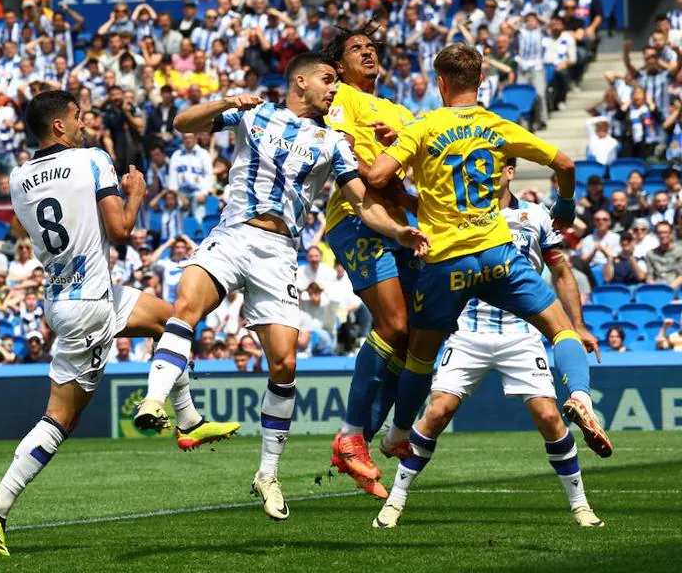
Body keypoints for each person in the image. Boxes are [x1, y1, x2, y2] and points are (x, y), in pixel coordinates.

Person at [133, 54, 429, 522]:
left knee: (285, 364)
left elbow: (362, 202)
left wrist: (396, 231)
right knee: (187, 305)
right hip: (232, 233)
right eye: (328, 81)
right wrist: (227, 99)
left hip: (279, 253)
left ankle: (267, 473)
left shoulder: (333, 142)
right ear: (301, 81)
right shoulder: (254, 113)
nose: (334, 89)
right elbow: (181, 121)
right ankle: (154, 399)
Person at [0, 90, 239, 557]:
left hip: (64, 296)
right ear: (59, 126)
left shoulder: (18, 178)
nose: (84, 122)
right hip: (90, 305)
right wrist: (134, 194)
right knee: (62, 418)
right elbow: (120, 232)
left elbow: (25, 229)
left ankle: (189, 420)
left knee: (171, 320)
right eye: (77, 116)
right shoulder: (92, 159)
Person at [365, 43, 610, 529]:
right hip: (497, 254)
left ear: (439, 83)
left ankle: (395, 433)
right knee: (562, 330)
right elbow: (564, 163)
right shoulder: (498, 127)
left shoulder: (425, 125)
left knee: (419, 356)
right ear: (483, 81)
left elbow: (376, 175)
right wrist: (565, 208)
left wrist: (390, 161)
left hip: (447, 263)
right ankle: (580, 393)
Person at [321, 30, 418, 498]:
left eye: (371, 46)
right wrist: (385, 168)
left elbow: (417, 167)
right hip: (358, 217)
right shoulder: (341, 96)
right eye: (356, 48)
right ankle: (351, 433)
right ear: (338, 66)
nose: (368, 51)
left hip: (404, 223)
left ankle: (357, 441)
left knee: (415, 338)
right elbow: (342, 153)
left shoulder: (400, 112)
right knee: (395, 323)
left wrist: (398, 160)